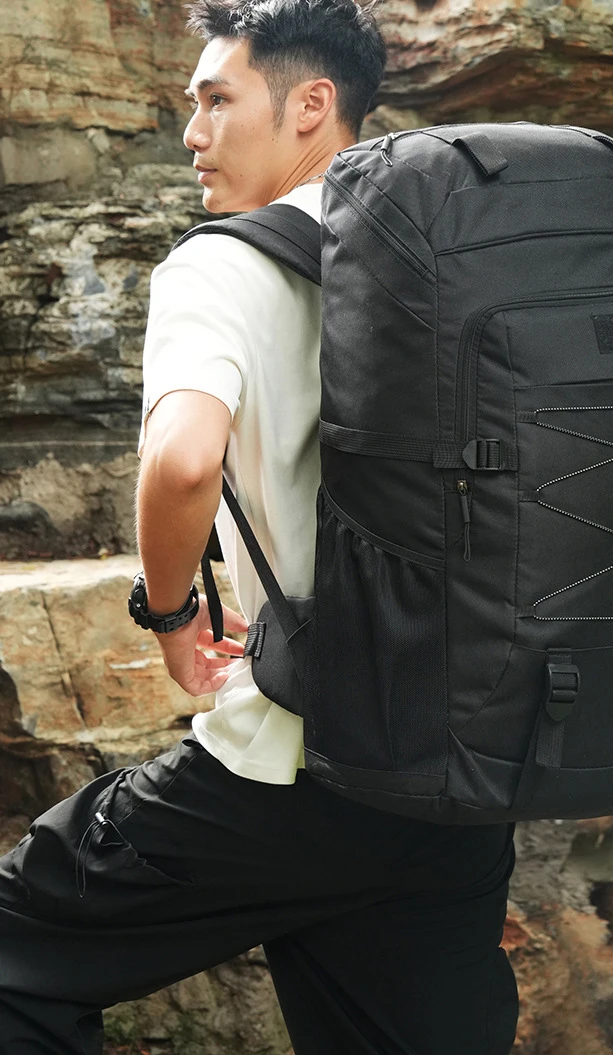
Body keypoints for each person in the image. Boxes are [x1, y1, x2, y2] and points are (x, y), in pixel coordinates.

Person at [0, 1, 518, 1051]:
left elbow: (183, 459)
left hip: (291, 762)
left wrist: (169, 612)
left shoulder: (223, 264)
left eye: (217, 99)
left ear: (311, 105)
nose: (193, 132)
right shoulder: (462, 253)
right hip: (463, 758)